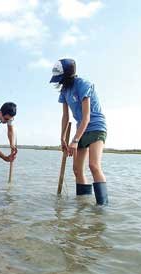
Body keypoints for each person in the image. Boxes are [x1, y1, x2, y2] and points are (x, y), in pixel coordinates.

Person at [50, 59, 108, 205]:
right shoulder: (64, 91)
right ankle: (83, 205)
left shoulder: (83, 85)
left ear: (68, 75)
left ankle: (102, 207)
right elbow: (65, 116)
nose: (60, 82)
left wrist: (75, 141)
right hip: (80, 129)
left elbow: (87, 116)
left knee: (93, 165)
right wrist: (62, 138)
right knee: (77, 170)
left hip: (95, 126)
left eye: (61, 79)